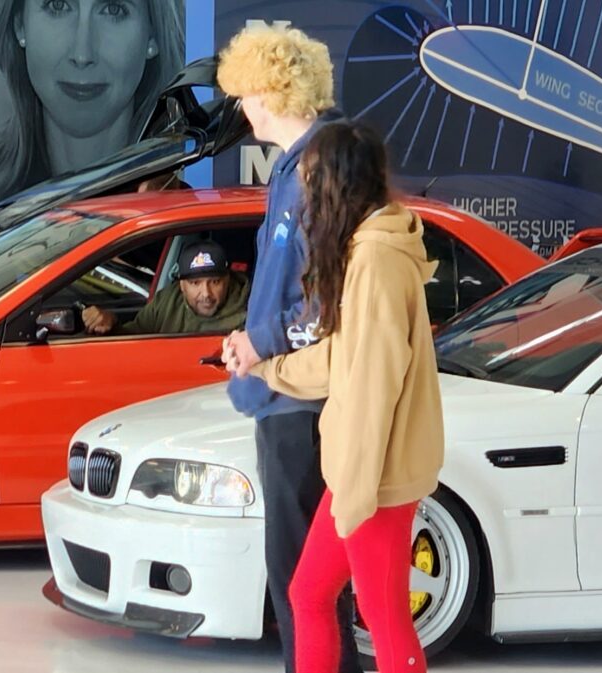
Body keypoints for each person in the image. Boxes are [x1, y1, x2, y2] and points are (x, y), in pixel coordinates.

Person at [228, 120, 443, 673]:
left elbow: (372, 386)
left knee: (381, 613)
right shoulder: (367, 251)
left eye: (309, 181)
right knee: (311, 595)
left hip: (372, 475)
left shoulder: (375, 261)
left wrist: (355, 490)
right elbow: (339, 359)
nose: (303, 197)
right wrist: (269, 368)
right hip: (362, 472)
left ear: (333, 184)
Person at [215, 25, 361, 673]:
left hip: (302, 393)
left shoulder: (320, 166)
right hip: (285, 386)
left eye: (244, 93)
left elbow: (326, 288)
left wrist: (260, 342)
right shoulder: (298, 164)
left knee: (303, 570)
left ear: (269, 92)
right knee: (309, 570)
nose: (241, 108)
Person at [0, 0, 185, 209]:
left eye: (113, 9)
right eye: (58, 6)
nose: (82, 55)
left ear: (153, 35)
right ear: (19, 25)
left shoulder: (189, 217)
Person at [81, 241, 247, 335]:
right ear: (182, 285)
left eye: (215, 282)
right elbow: (135, 337)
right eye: (195, 283)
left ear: (227, 280)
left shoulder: (253, 306)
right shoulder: (167, 301)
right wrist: (110, 324)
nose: (206, 293)